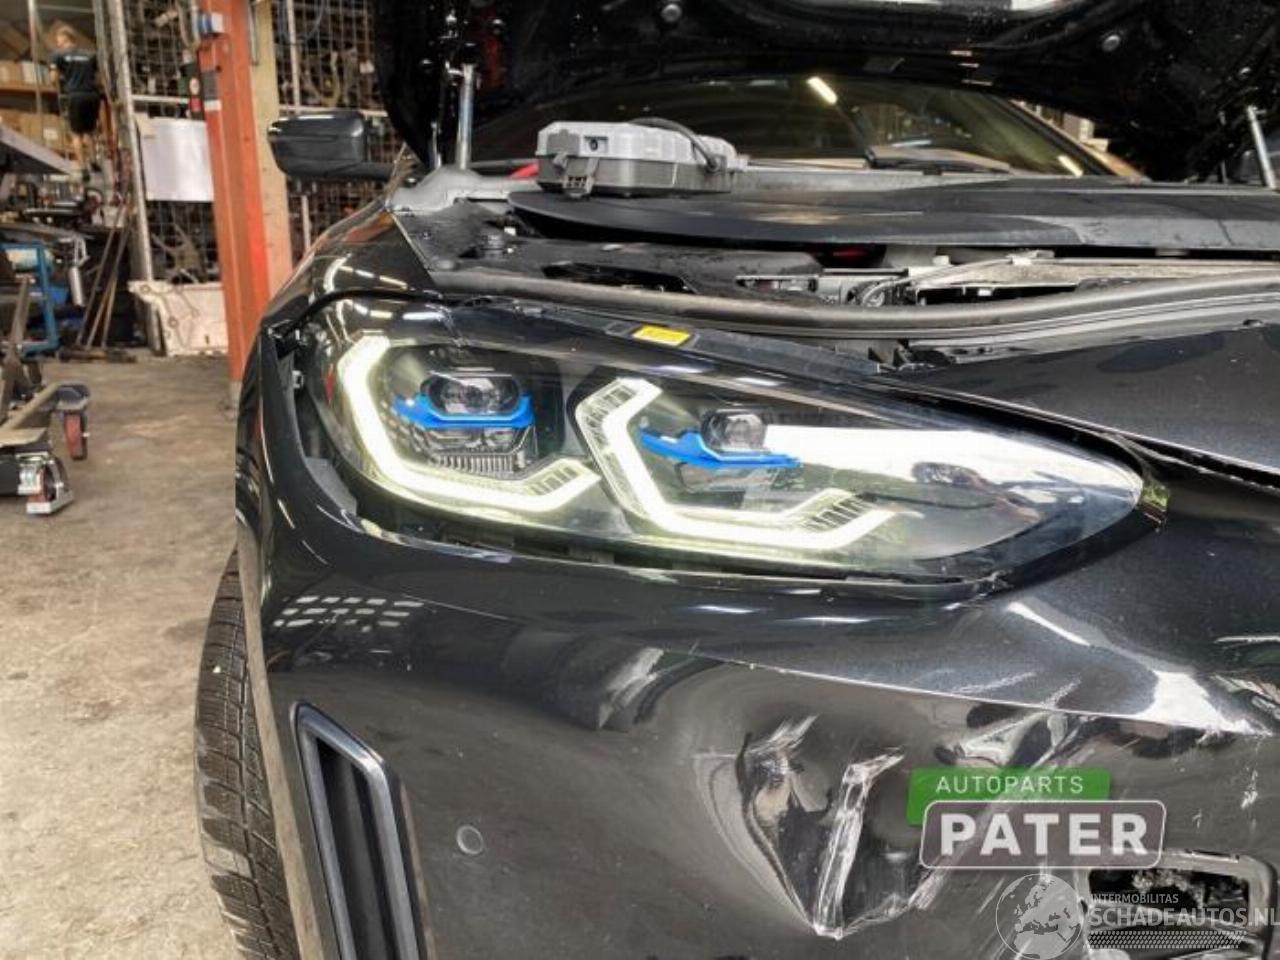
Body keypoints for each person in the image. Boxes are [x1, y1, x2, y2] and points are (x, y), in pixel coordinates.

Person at [48, 26, 102, 171]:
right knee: (89, 131)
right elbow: (97, 78)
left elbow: (53, 78)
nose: (57, 42)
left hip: (75, 95)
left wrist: (59, 82)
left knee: (76, 134)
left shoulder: (57, 55)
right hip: (92, 95)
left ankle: (83, 167)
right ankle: (93, 161)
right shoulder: (90, 54)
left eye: (58, 39)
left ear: (65, 37)